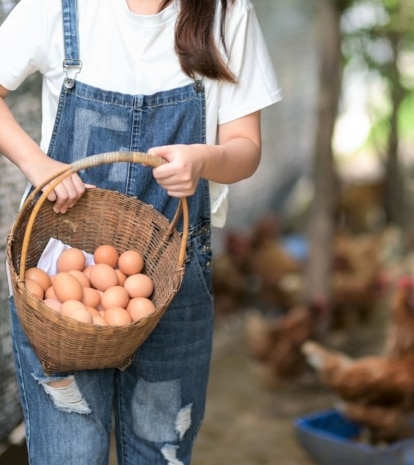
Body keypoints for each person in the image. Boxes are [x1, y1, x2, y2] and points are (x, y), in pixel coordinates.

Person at [0, 0, 282, 463]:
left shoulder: (226, 13)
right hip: (63, 296)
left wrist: (203, 161)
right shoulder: (62, 7)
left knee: (161, 453)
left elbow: (245, 148)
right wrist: (39, 165)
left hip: (173, 277)